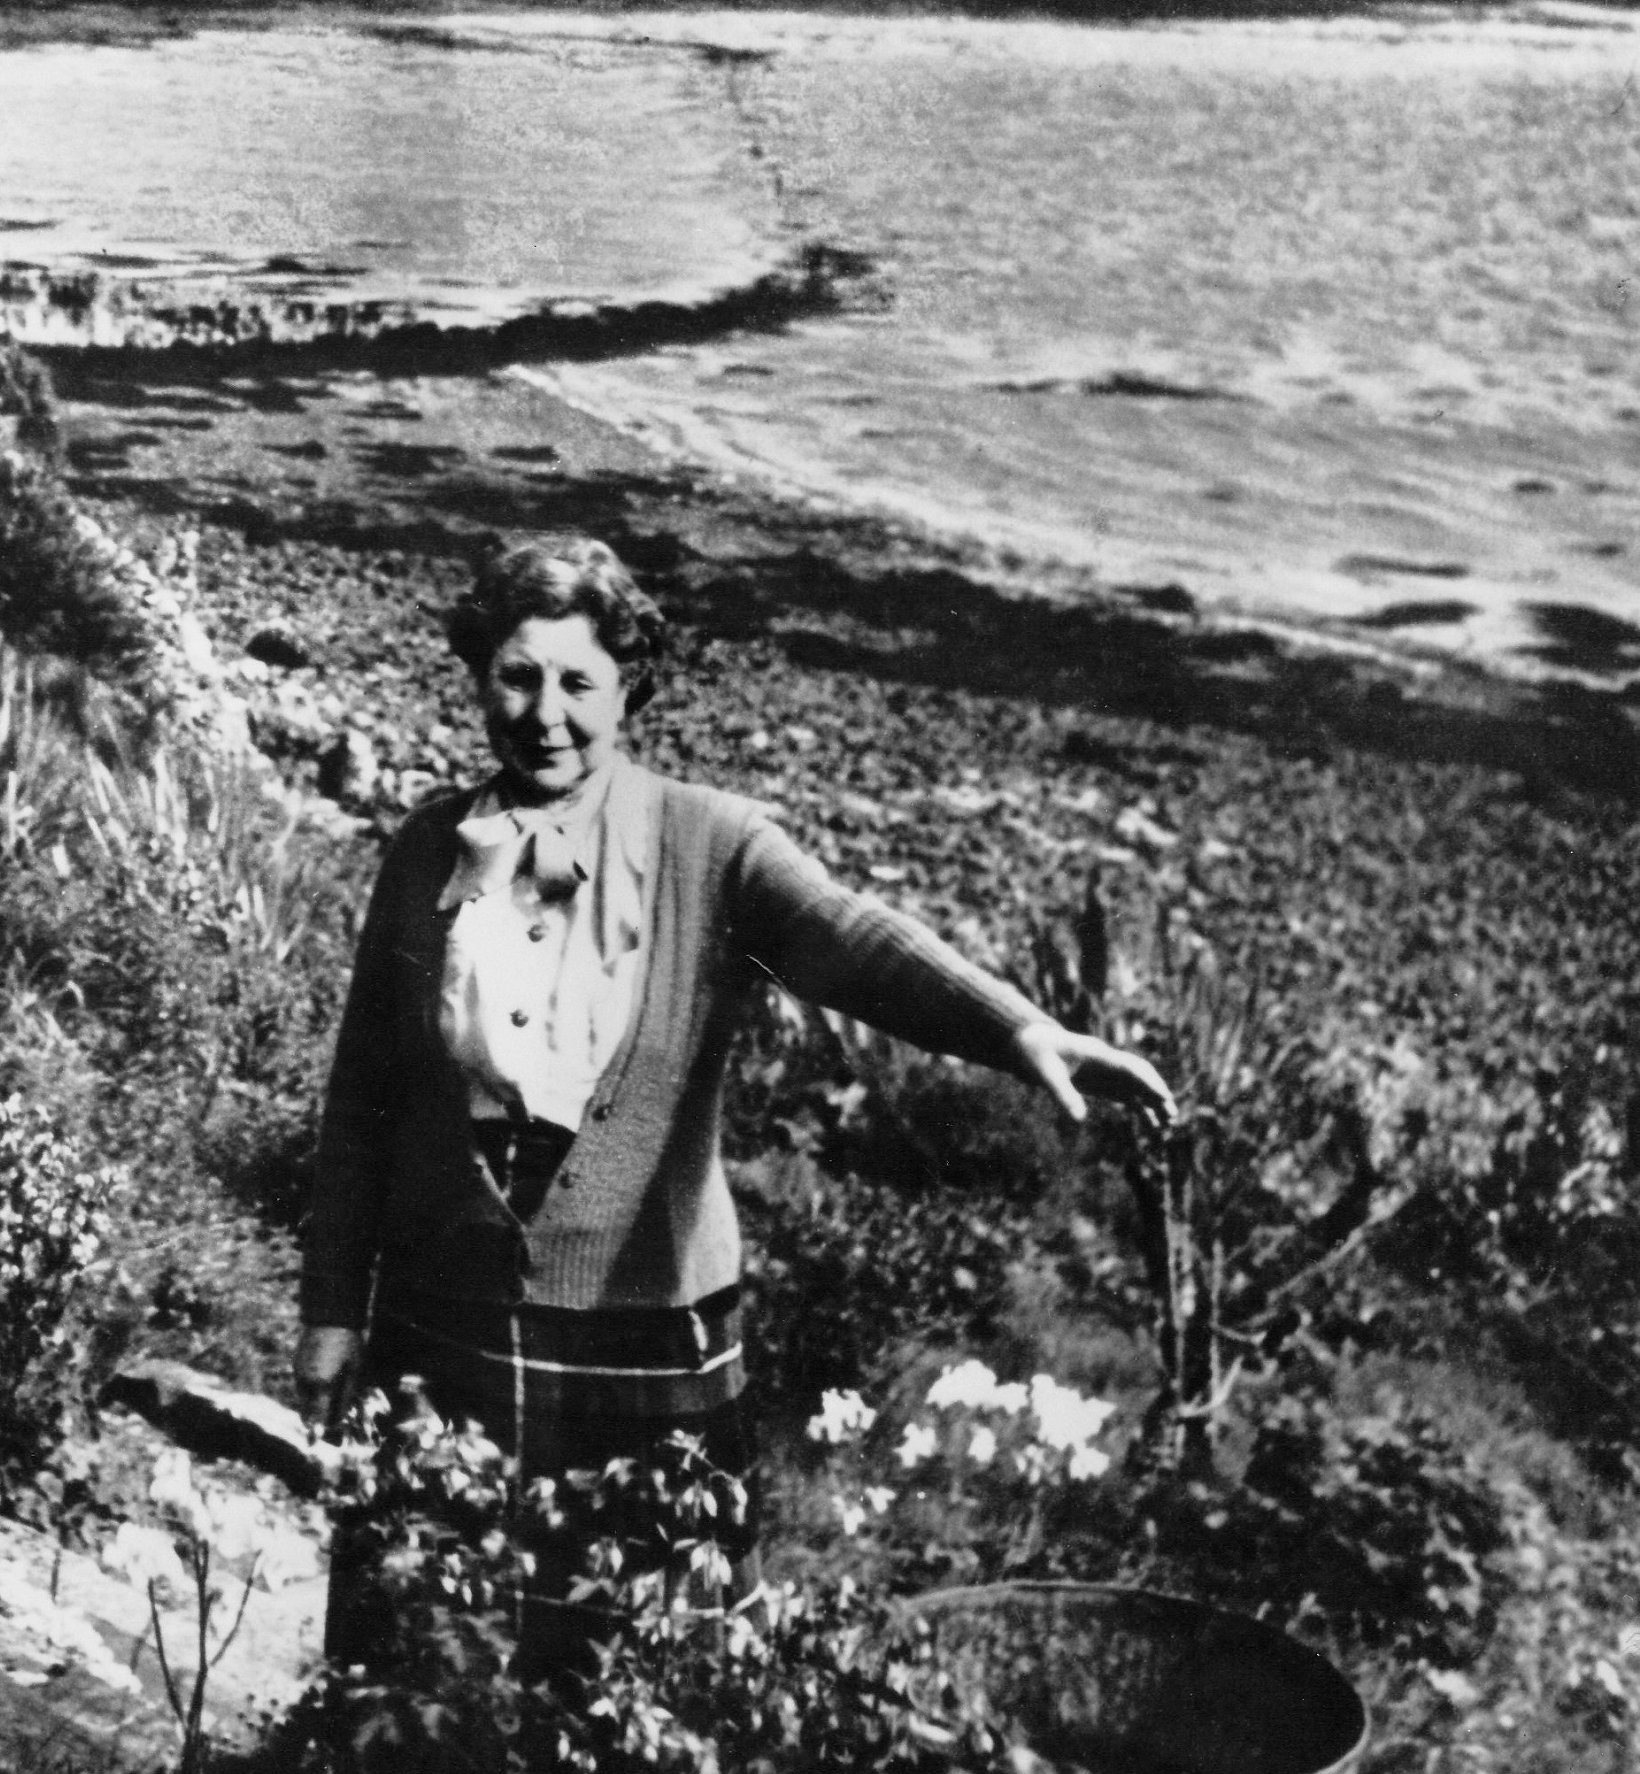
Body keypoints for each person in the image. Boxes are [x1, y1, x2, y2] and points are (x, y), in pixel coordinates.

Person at [296, 533, 1174, 1660]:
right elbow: (360, 1102)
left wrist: (1015, 1027)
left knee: (643, 1660)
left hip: (646, 1326)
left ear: (629, 685)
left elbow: (850, 936)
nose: (545, 714)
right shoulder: (426, 848)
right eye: (516, 676)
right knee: (427, 1644)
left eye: (578, 681)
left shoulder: (710, 843)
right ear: (477, 677)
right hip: (441, 1312)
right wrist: (331, 1308)